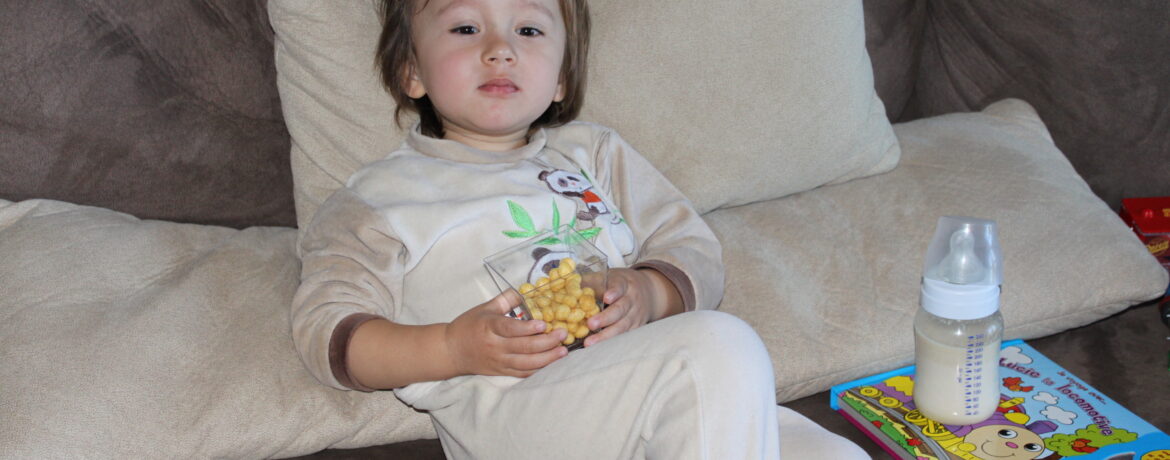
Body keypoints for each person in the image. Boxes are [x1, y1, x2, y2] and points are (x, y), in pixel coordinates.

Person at [292, 0, 868, 458]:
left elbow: (691, 246)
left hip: (643, 385)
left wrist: (648, 291)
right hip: (515, 414)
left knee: (831, 452)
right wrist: (451, 346)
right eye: (466, 28)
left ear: (562, 78)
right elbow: (327, 329)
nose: (500, 50)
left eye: (529, 30)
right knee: (719, 347)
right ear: (412, 71)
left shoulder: (594, 153)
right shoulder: (377, 197)